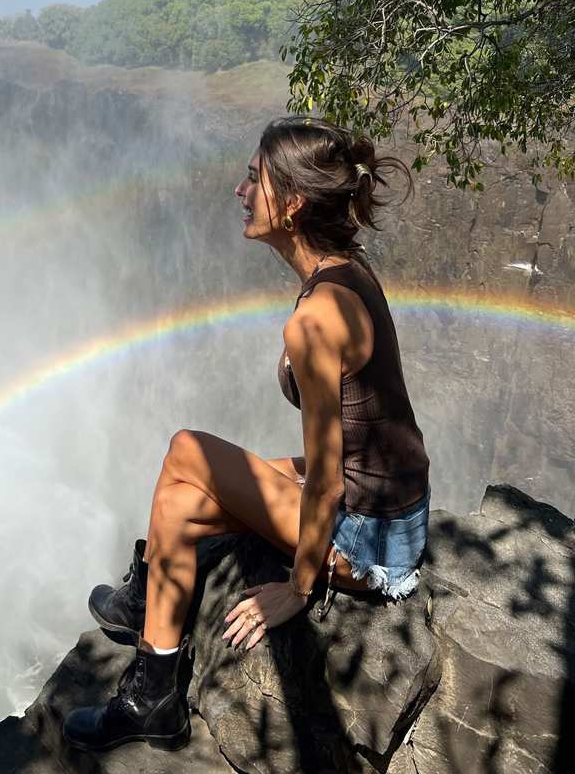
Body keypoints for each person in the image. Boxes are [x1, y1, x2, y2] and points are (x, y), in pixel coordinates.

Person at [62, 117, 431, 753]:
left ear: (289, 205)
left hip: (368, 543)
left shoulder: (316, 319)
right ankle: (155, 682)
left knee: (185, 451)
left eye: (254, 178)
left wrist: (298, 588)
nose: (240, 190)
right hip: (391, 510)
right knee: (182, 498)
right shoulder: (346, 271)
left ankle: (147, 621)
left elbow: (327, 479)